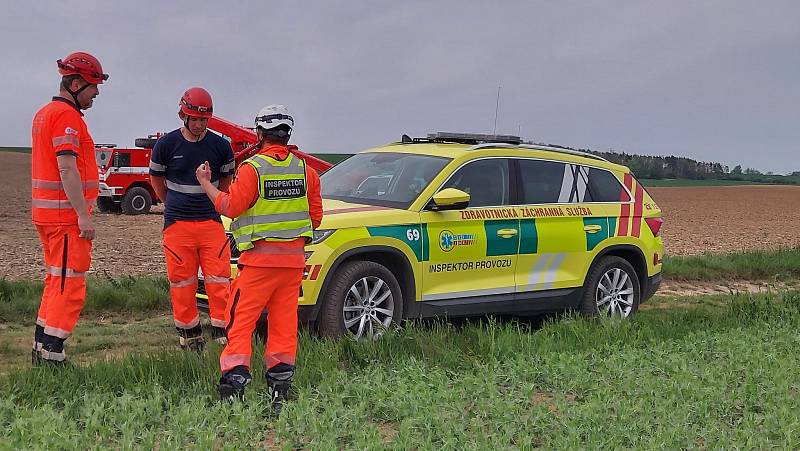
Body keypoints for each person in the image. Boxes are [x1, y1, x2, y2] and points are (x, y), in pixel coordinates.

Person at [195, 104, 323, 409]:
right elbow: (315, 219)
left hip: (258, 265)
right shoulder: (306, 172)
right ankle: (280, 389)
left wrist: (205, 184)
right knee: (283, 325)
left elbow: (230, 207)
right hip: (293, 265)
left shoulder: (253, 169)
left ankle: (234, 387)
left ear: (260, 133)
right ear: (287, 134)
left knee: (239, 322)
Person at [30, 51, 108, 364]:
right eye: (92, 86)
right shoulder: (66, 117)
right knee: (69, 285)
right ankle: (52, 354)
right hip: (65, 218)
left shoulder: (45, 112)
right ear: (74, 83)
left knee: (56, 280)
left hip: (50, 215)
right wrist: (82, 215)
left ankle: (42, 348)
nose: (96, 93)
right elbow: (67, 168)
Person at [149, 87, 236, 351]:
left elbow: (226, 181)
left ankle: (222, 328)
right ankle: (189, 333)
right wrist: (170, 203)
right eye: (194, 119)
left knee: (219, 277)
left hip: (210, 222)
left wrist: (215, 199)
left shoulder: (221, 146)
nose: (199, 125)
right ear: (183, 116)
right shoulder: (166, 145)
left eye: (203, 120)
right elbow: (157, 181)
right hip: (178, 224)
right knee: (182, 280)